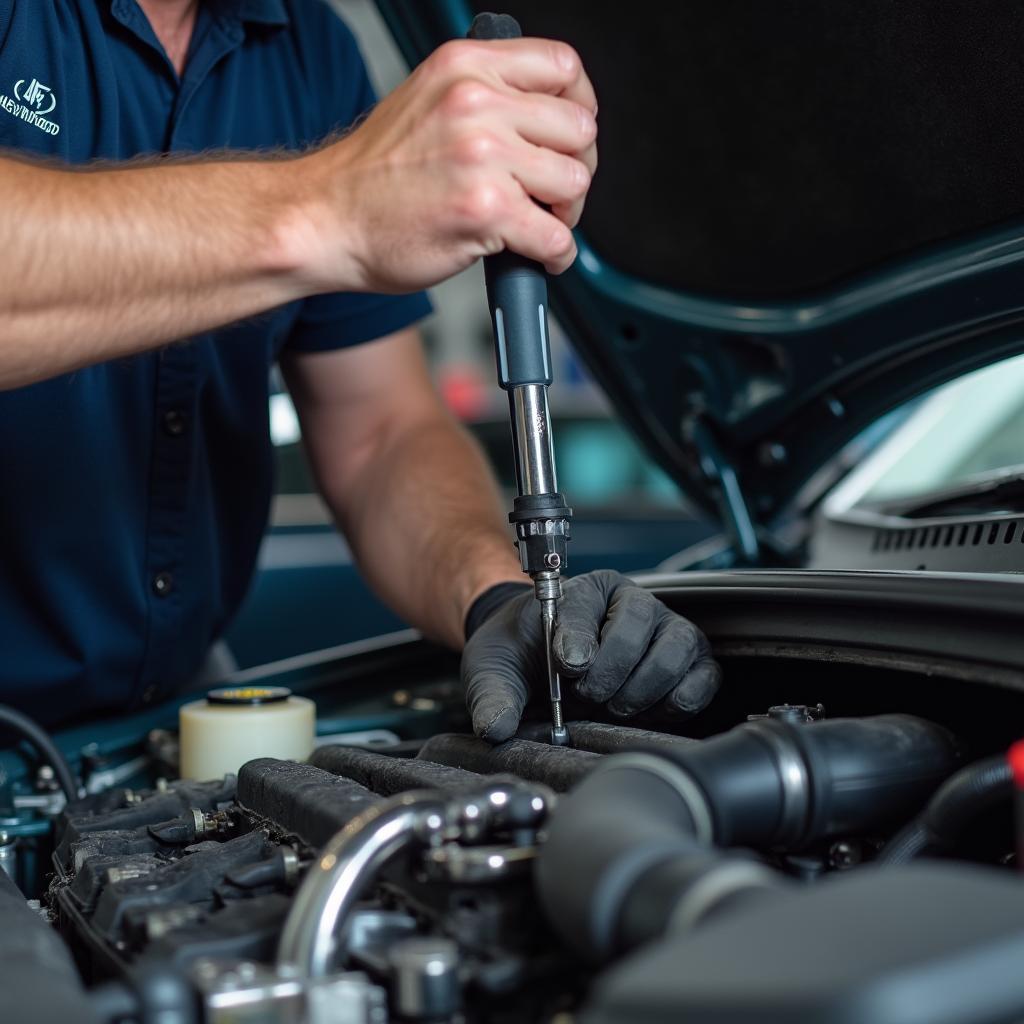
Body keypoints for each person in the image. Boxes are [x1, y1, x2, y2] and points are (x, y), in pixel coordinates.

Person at [0, 0, 720, 740]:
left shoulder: (306, 46)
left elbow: (381, 432)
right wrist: (327, 207)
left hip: (155, 727)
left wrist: (495, 601)